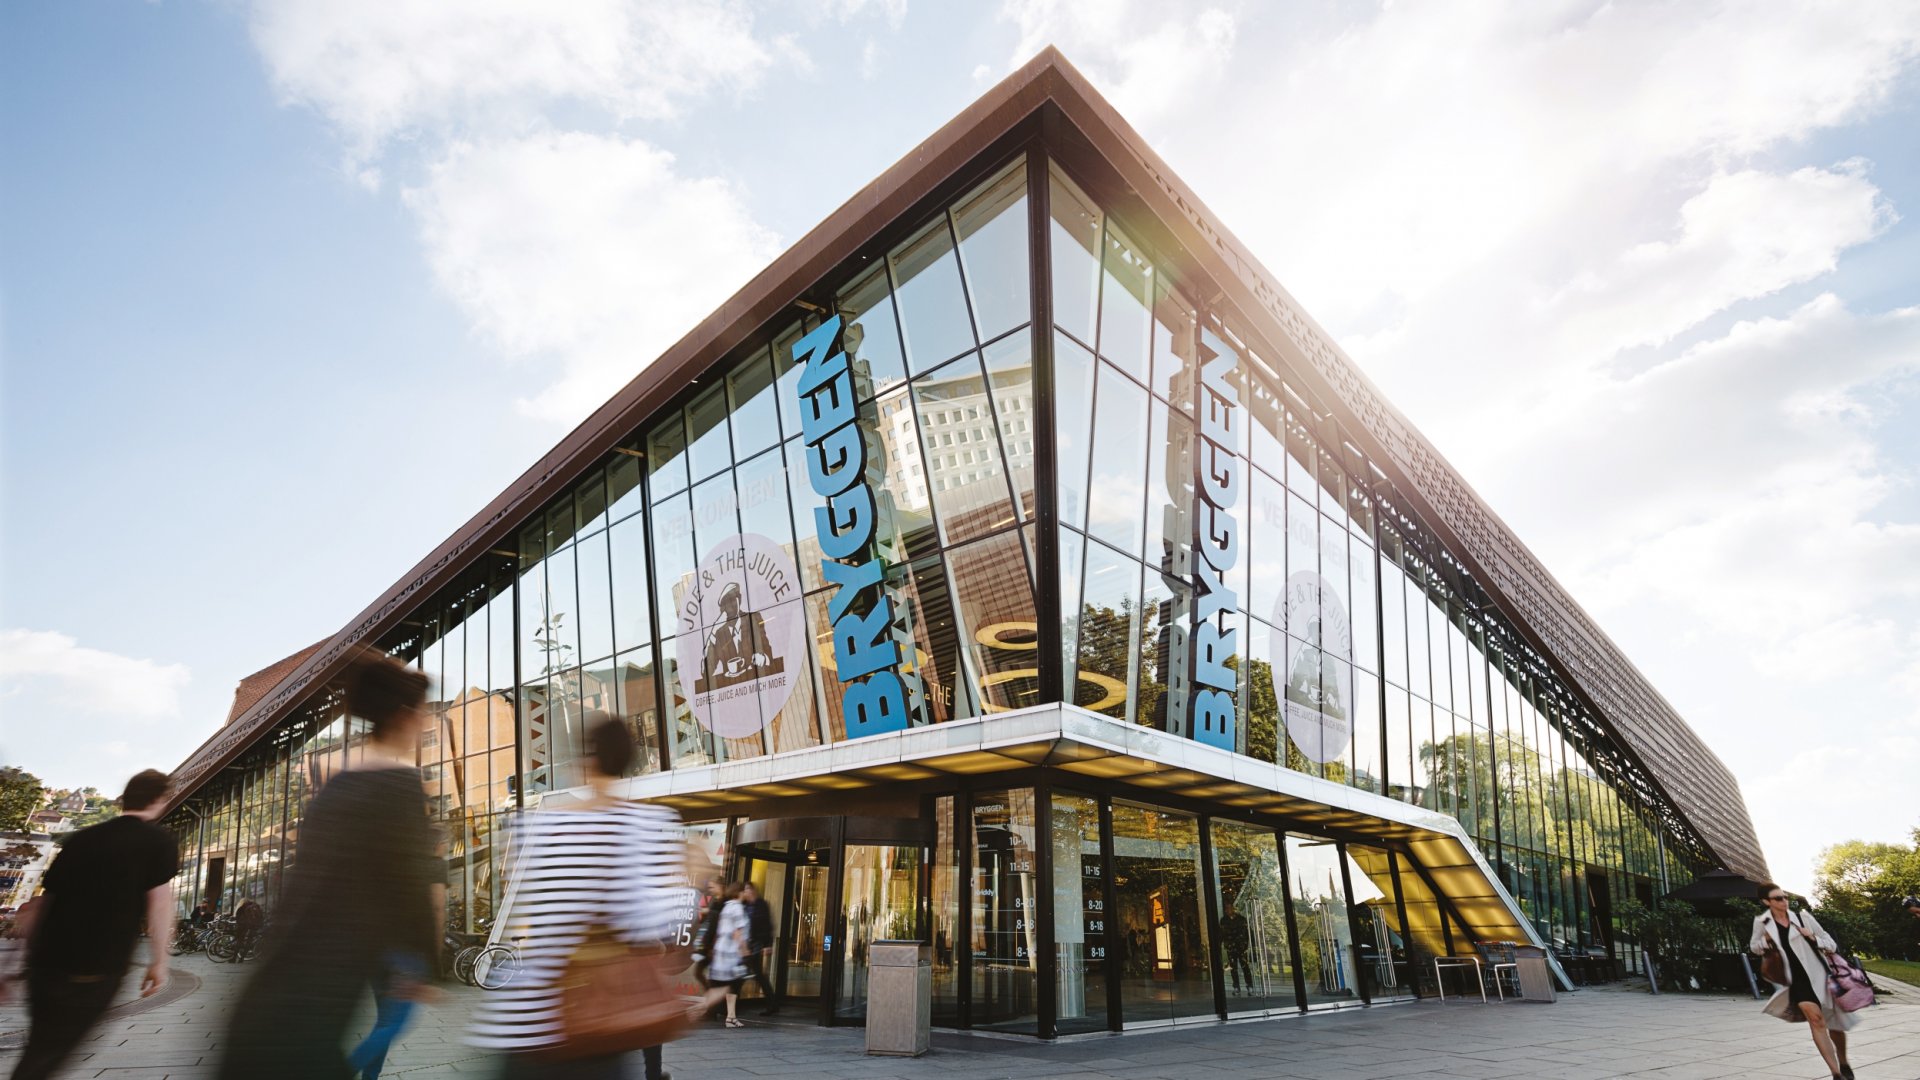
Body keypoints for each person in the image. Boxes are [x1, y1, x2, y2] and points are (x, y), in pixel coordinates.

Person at [218, 652, 443, 1080]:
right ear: (403, 716)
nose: (427, 723)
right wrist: (427, 966)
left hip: (270, 994)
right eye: (423, 713)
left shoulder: (334, 791)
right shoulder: (399, 789)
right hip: (315, 1003)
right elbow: (415, 887)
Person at [470, 714, 685, 1078]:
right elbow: (642, 924)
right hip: (595, 1023)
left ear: (587, 760)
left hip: (527, 1021)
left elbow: (540, 915)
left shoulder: (544, 825)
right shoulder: (643, 825)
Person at [6, 770, 177, 1080]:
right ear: (159, 800)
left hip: (46, 966)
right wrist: (160, 962)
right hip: (97, 965)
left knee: (41, 1048)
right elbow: (160, 904)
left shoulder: (80, 839)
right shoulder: (157, 841)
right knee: (48, 1056)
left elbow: (39, 906)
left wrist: (14, 968)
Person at [1750, 884, 1859, 1080]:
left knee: (1834, 1024)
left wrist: (1813, 938)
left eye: (1784, 896)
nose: (1784, 901)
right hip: (1796, 981)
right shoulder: (1762, 922)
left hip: (1820, 976)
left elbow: (1831, 944)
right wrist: (1766, 941)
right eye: (1778, 898)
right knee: (1816, 1021)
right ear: (1766, 902)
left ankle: (1843, 1061)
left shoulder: (1803, 918)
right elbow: (1755, 947)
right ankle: (1836, 1073)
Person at [690, 882, 750, 1029]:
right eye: (745, 891)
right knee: (725, 988)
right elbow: (738, 933)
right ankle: (697, 1008)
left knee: (731, 986)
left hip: (722, 953)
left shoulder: (727, 907)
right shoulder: (737, 909)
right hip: (731, 954)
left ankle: (731, 1017)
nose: (747, 893)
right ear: (740, 893)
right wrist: (745, 950)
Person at [740, 882, 776, 1015]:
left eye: (748, 889)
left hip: (755, 944)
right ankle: (772, 1003)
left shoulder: (761, 905)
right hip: (745, 944)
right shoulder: (743, 905)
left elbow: (768, 926)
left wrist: (767, 944)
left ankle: (772, 1004)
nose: (746, 892)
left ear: (753, 891)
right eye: (744, 890)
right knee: (756, 974)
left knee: (751, 974)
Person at [1220, 900, 1253, 995]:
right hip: (1231, 947)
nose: (1228, 910)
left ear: (1233, 909)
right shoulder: (1224, 920)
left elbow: (1247, 933)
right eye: (1227, 908)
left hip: (1241, 947)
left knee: (1245, 966)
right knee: (1233, 968)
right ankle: (1236, 987)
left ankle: (1249, 986)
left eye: (1230, 908)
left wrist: (1246, 945)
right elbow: (1222, 934)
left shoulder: (1241, 919)